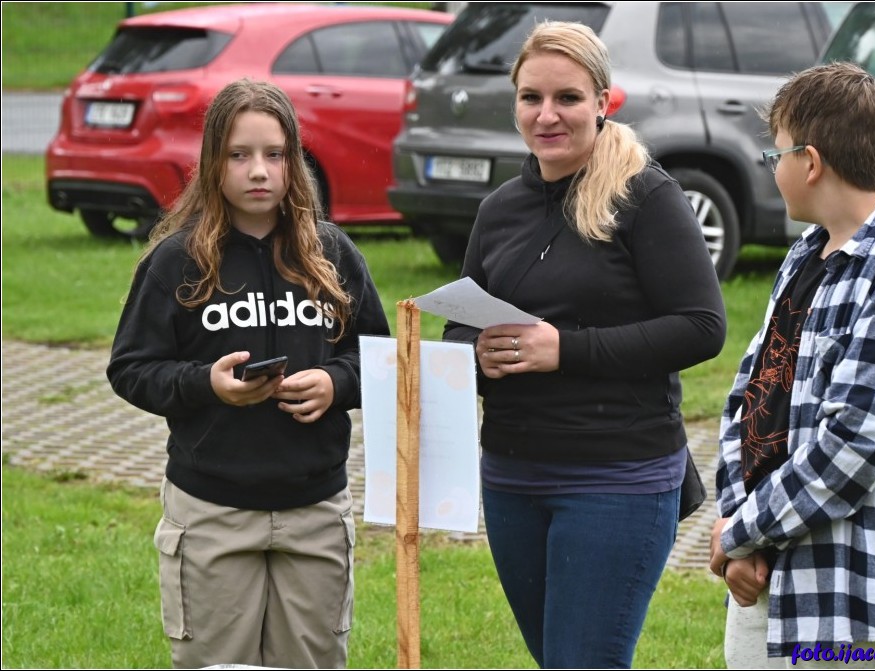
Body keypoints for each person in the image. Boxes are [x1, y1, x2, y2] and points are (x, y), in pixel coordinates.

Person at [443, 21, 727, 669]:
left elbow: (702, 324)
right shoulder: (499, 210)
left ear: (603, 100)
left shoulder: (645, 196)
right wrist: (475, 354)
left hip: (617, 478)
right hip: (512, 476)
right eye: (530, 97)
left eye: (567, 98)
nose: (547, 115)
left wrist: (563, 349)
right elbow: (459, 323)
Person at [106, 78, 390, 669]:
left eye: (274, 155)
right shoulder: (177, 260)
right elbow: (131, 368)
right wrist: (204, 384)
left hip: (314, 511)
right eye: (239, 155)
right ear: (213, 163)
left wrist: (337, 383)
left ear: (294, 162)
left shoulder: (333, 255)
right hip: (212, 513)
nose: (257, 170)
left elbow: (383, 362)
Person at [709, 62, 875, 668]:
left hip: (862, 608)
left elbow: (853, 445)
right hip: (773, 573)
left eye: (777, 158)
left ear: (812, 161)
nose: (775, 172)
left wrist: (741, 531)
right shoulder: (805, 256)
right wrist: (736, 527)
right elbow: (750, 398)